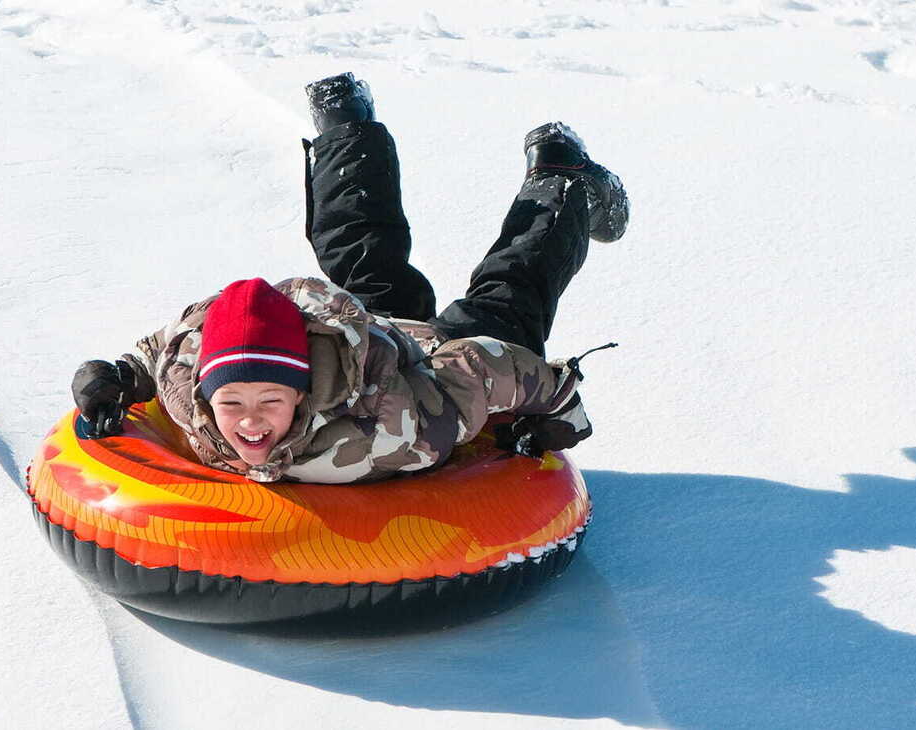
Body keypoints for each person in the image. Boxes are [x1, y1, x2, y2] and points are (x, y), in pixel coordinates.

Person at [70, 72, 629, 484]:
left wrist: (562, 408)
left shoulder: (392, 428)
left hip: (433, 363)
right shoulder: (186, 388)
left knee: (509, 294)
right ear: (205, 393)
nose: (250, 422)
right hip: (361, 331)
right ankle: (345, 124)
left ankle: (561, 174)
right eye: (231, 402)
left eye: (270, 399)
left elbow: (483, 366)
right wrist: (117, 376)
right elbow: (170, 349)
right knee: (357, 253)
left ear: (301, 392)